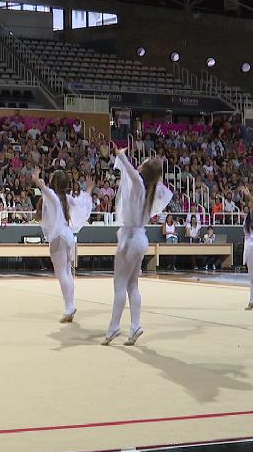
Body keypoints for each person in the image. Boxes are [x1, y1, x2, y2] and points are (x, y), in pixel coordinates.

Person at [103, 148, 171, 347]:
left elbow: (132, 172)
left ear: (144, 169)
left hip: (130, 238)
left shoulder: (140, 186)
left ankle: (114, 327)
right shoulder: (151, 190)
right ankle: (135, 326)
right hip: (140, 238)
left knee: (119, 285)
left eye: (144, 162)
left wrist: (121, 155)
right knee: (133, 284)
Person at [32, 167, 94, 322]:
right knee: (67, 272)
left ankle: (70, 306)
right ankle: (69, 306)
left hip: (59, 236)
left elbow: (44, 189)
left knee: (61, 274)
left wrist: (36, 180)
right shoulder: (66, 198)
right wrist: (89, 188)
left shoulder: (53, 196)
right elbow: (82, 202)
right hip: (68, 236)